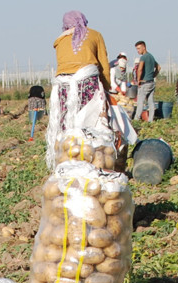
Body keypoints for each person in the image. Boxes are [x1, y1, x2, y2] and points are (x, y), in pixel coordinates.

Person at [48, 10, 112, 168]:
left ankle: (66, 160)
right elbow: (103, 65)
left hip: (63, 88)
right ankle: (93, 160)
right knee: (91, 122)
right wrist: (107, 89)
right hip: (87, 85)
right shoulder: (95, 35)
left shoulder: (59, 40)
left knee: (67, 125)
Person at [133, 40, 158, 123]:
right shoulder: (151, 56)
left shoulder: (143, 57)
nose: (138, 50)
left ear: (144, 47)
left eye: (139, 48)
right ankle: (151, 120)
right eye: (137, 49)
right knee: (151, 102)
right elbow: (158, 67)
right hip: (151, 82)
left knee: (140, 102)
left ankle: (136, 120)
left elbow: (140, 69)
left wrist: (138, 80)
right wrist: (153, 75)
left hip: (144, 83)